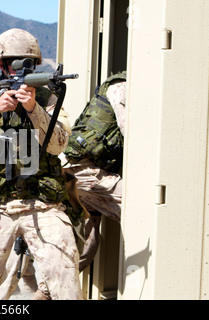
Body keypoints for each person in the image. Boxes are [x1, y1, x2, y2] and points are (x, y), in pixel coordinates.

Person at [0, 28, 84, 300]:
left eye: (26, 63)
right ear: (1, 65)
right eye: (12, 63)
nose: (19, 69)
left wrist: (34, 110)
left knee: (65, 272)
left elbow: (58, 144)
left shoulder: (48, 98)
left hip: (41, 202)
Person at [62, 71, 126, 271]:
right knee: (139, 211)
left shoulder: (114, 87)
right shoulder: (121, 87)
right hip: (85, 172)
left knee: (86, 241)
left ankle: (48, 293)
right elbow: (129, 131)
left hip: (79, 172)